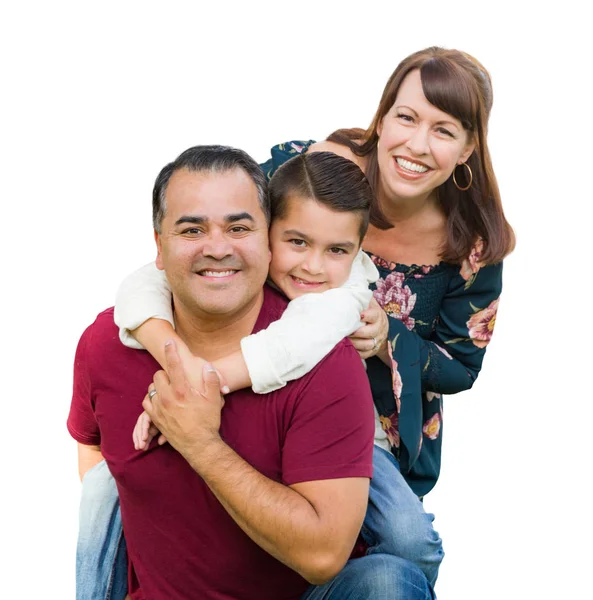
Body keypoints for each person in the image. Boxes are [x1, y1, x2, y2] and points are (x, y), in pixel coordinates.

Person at [68, 145, 434, 600]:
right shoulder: (110, 339)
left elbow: (322, 557)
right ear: (159, 246)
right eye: (192, 229)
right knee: (102, 490)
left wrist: (199, 429)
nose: (217, 247)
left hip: (317, 555)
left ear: (261, 237)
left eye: (238, 227)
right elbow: (92, 446)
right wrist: (175, 355)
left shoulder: (329, 339)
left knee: (401, 558)